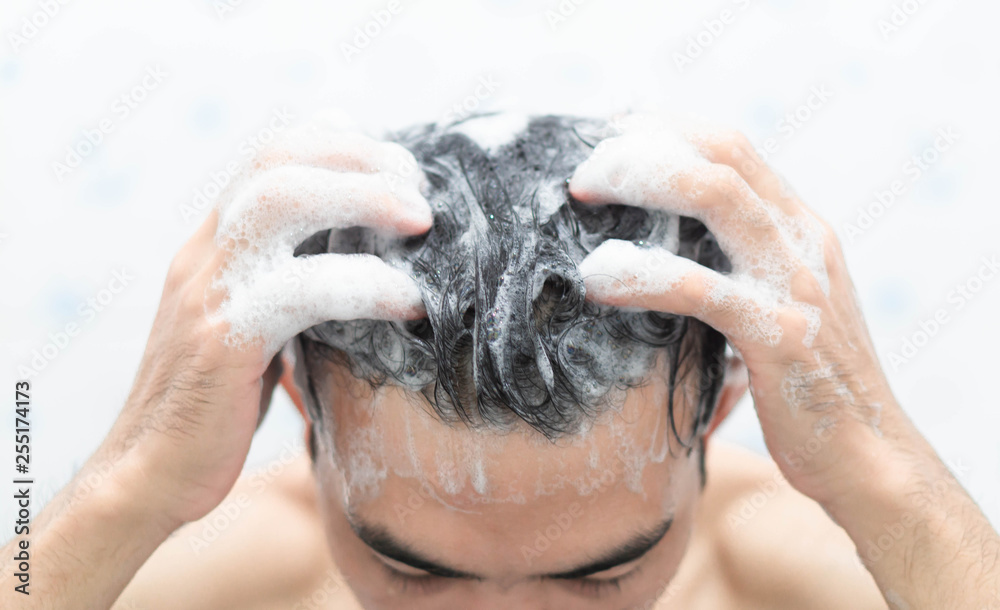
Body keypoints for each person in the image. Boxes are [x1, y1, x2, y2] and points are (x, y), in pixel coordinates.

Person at [3, 113, 998, 609]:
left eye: (602, 577)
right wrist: (122, 487)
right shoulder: (227, 580)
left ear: (722, 399)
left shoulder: (799, 577)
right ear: (302, 407)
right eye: (411, 571)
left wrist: (892, 484)